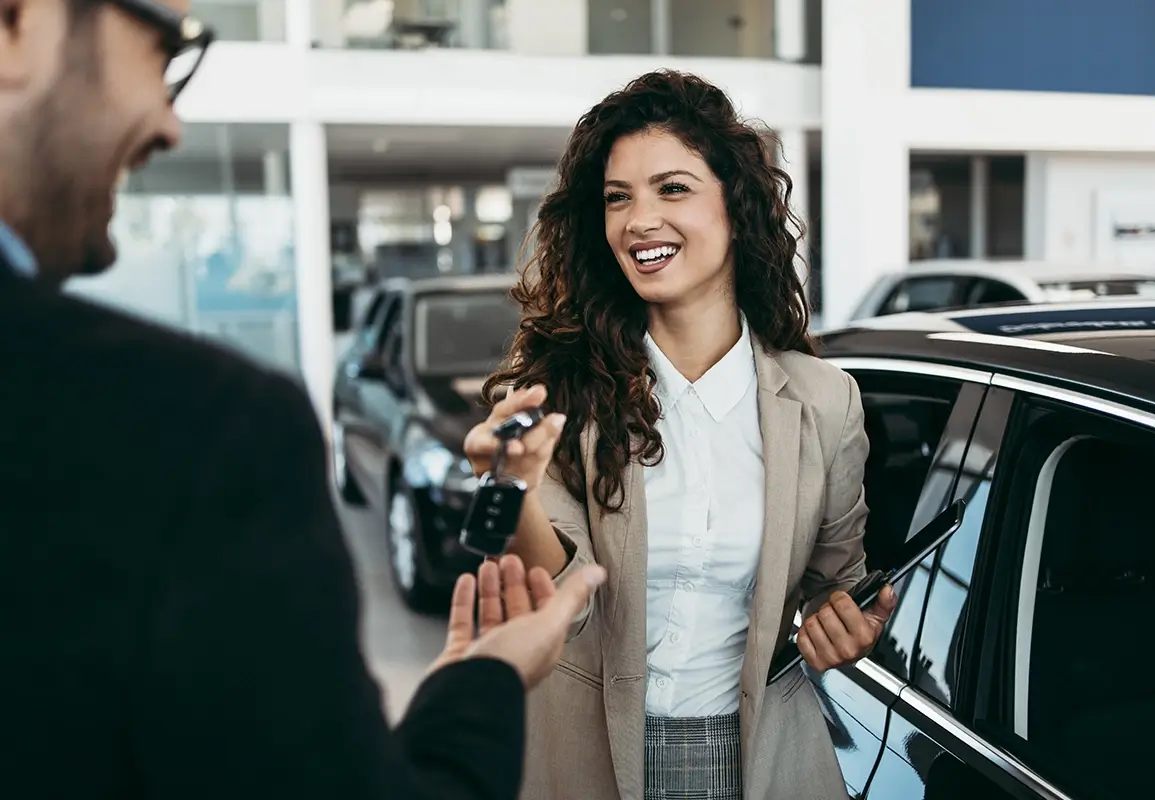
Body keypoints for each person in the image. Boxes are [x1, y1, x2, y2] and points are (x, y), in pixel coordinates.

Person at [0, 1, 605, 798]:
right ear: (16, 20)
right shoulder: (205, 429)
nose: (172, 122)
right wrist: (484, 680)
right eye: (168, 46)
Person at [464, 70, 897, 800]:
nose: (638, 220)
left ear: (735, 207)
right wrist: (507, 488)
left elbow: (833, 587)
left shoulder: (825, 402)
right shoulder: (556, 385)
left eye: (672, 189)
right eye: (617, 197)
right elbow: (552, 596)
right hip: (584, 754)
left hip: (765, 760)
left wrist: (842, 626)